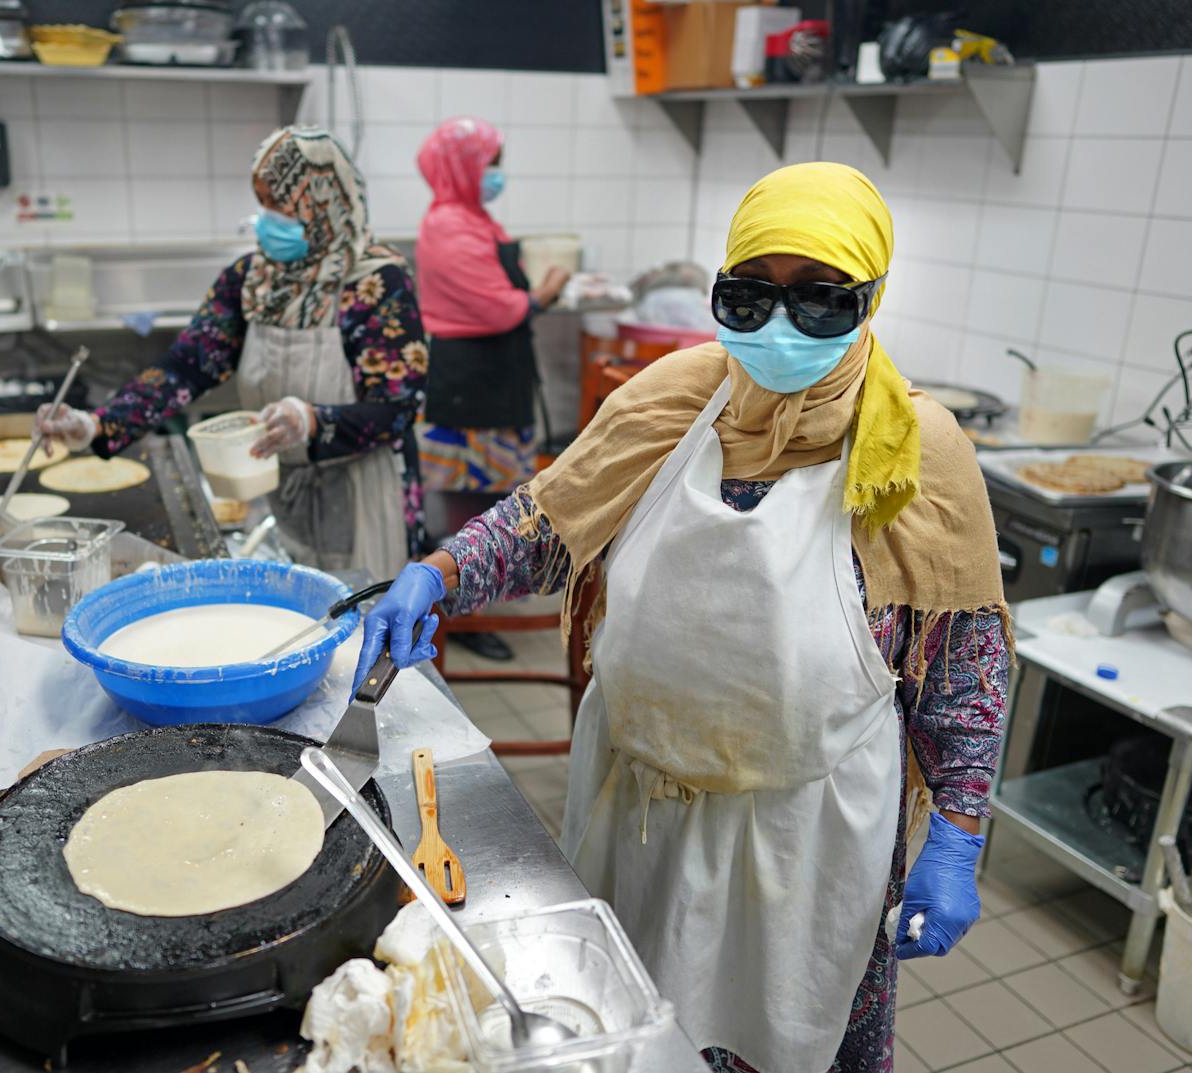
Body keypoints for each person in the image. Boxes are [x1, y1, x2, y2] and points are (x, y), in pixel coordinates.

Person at [352, 163, 1010, 1073]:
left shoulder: (915, 454)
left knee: (781, 1045)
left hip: (805, 835)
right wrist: (442, 569)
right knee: (626, 1029)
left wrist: (959, 831)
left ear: (872, 298)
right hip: (639, 807)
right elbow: (549, 524)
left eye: (821, 300)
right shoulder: (672, 399)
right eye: (747, 298)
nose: (779, 327)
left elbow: (964, 667)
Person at [35, 126, 428, 579]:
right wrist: (97, 424)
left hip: (365, 493)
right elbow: (186, 367)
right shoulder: (252, 279)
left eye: (281, 210)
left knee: (373, 623)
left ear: (324, 204)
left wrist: (314, 420)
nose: (267, 222)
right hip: (287, 488)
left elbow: (398, 410)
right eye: (262, 206)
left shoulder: (377, 284)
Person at [413, 116, 569, 495]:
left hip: (493, 372)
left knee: (498, 502)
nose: (497, 174)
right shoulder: (450, 225)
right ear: (460, 167)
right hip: (469, 379)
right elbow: (496, 307)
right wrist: (547, 291)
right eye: (490, 164)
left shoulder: (474, 219)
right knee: (469, 503)